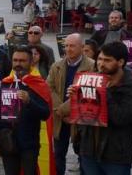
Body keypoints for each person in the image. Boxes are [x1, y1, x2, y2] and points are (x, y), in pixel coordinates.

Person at [61, 42, 132, 174]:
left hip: (116, 156)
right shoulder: (90, 78)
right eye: (99, 59)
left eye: (107, 60)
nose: (101, 64)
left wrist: (104, 92)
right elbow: (80, 115)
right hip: (88, 152)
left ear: (121, 62)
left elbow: (122, 118)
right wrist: (75, 96)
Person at [0, 46, 52, 175]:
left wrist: (29, 102)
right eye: (15, 60)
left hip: (29, 144)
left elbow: (45, 114)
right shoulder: (6, 83)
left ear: (31, 62)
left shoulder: (38, 84)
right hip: (7, 141)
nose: (18, 64)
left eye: (22, 61)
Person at [46, 34, 96, 175]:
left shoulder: (93, 66)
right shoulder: (56, 66)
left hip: (81, 119)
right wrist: (61, 111)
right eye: (66, 45)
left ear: (82, 47)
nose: (68, 49)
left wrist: (66, 110)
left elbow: (88, 93)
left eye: (72, 46)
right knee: (58, 154)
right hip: (60, 118)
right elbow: (49, 89)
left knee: (83, 155)